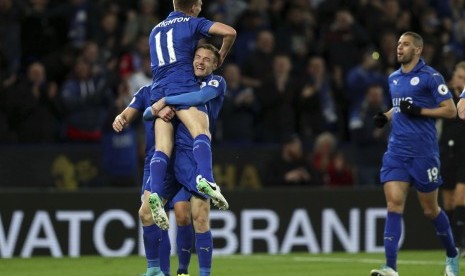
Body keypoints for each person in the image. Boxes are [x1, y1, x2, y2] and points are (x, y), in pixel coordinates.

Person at [371, 31, 459, 276]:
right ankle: (390, 267)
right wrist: (386, 116)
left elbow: (451, 111)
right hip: (397, 151)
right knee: (393, 205)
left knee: (430, 211)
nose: (399, 47)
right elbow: (401, 105)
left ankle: (452, 255)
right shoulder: (394, 77)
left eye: (405, 44)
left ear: (417, 50)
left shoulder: (431, 77)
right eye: (398, 43)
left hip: (424, 153)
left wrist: (419, 111)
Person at [146, 0, 236, 224]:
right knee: (200, 130)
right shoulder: (193, 22)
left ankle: (155, 193)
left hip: (157, 88)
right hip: (181, 84)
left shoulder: (155, 30)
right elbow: (229, 32)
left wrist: (160, 103)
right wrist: (222, 54)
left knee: (162, 147)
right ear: (194, 6)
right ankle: (206, 178)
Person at [145, 43, 227, 276]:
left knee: (200, 216)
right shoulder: (181, 79)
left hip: (196, 154)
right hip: (175, 154)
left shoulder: (216, 82)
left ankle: (202, 273)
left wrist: (168, 101)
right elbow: (147, 112)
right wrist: (159, 108)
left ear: (215, 64)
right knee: (179, 214)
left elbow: (201, 96)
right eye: (197, 57)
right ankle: (177, 270)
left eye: (207, 59)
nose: (200, 62)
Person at [112, 86, 193, 276]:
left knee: (179, 214)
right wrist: (120, 118)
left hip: (177, 160)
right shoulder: (146, 92)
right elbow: (128, 113)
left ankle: (176, 270)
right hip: (153, 162)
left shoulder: (182, 87)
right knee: (153, 216)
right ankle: (160, 271)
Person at [439, 61, 465, 253]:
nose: (459, 80)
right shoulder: (444, 98)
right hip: (447, 154)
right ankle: (452, 242)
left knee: (460, 197)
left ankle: (459, 243)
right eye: (459, 76)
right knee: (447, 201)